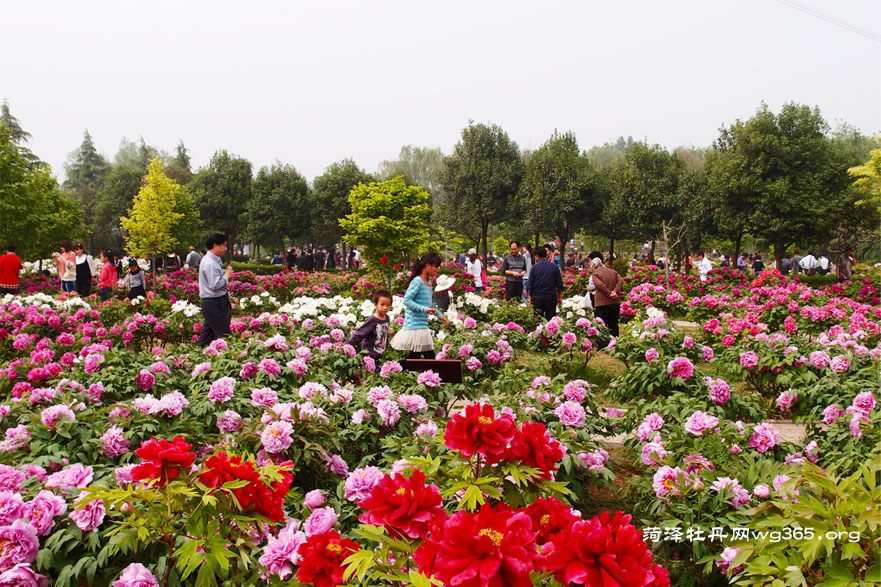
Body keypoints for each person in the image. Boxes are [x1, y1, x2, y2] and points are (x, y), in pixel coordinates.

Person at [390, 252, 448, 359]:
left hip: (421, 327)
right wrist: (425, 309)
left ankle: (401, 371)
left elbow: (429, 304)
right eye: (436, 266)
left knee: (415, 359)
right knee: (429, 358)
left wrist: (440, 315)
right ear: (427, 265)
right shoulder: (417, 281)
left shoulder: (428, 283)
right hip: (414, 326)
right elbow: (407, 300)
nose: (438, 269)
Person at [197, 233, 235, 348]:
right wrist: (226, 276)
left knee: (207, 336)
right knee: (225, 336)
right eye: (223, 245)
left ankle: (193, 357)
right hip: (214, 303)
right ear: (215, 245)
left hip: (216, 302)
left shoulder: (215, 260)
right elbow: (215, 285)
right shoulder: (210, 262)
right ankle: (231, 358)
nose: (225, 249)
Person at [347, 289, 392, 364]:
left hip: (380, 353)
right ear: (375, 304)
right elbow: (360, 333)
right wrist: (347, 344)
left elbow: (385, 335)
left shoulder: (387, 318)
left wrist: (385, 348)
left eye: (388, 305)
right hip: (370, 353)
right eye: (382, 304)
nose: (385, 307)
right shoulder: (372, 320)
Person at [589, 251, 624, 337]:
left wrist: (609, 293)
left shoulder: (595, 274)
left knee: (601, 325)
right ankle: (615, 342)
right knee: (613, 324)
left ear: (594, 265)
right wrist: (614, 292)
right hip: (615, 302)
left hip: (602, 303)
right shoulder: (613, 272)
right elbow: (620, 280)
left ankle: (603, 344)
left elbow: (599, 285)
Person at [527, 246, 563, 321]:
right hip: (551, 297)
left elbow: (530, 285)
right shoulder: (554, 267)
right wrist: (560, 298)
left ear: (537, 256)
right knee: (551, 321)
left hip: (537, 297)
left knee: (537, 320)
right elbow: (559, 284)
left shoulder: (534, 268)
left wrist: (530, 300)